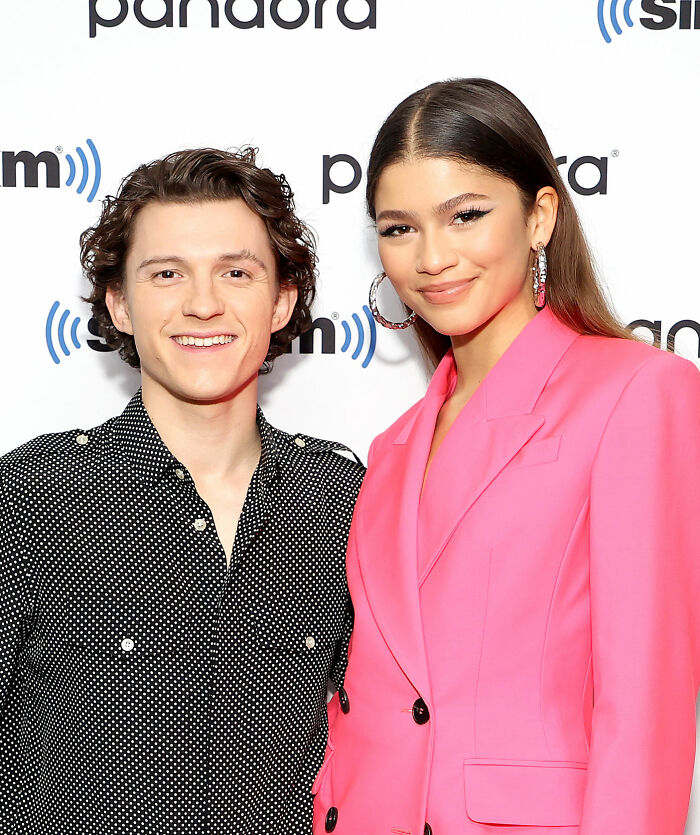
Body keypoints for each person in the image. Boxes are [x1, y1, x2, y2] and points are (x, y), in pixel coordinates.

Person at [311, 79, 700, 835]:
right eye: (399, 229)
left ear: (540, 216)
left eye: (466, 216)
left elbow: (646, 708)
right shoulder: (392, 449)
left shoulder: (637, 392)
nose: (432, 257)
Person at [0, 147, 364, 835]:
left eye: (236, 272)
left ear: (282, 300)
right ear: (120, 303)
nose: (203, 303)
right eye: (167, 274)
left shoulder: (344, 504)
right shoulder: (27, 498)